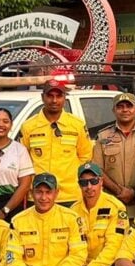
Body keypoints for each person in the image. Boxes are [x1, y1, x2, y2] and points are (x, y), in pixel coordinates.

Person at [20, 78, 93, 206]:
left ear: (64, 98)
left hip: (69, 195)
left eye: (59, 96)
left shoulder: (77, 125)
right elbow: (23, 162)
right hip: (38, 195)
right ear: (43, 97)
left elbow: (85, 157)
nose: (54, 100)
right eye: (50, 96)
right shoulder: (28, 126)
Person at [92, 92, 135, 218]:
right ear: (114, 110)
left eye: (129, 106)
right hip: (112, 204)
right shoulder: (103, 136)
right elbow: (97, 169)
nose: (125, 110)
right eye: (120, 106)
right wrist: (118, 191)